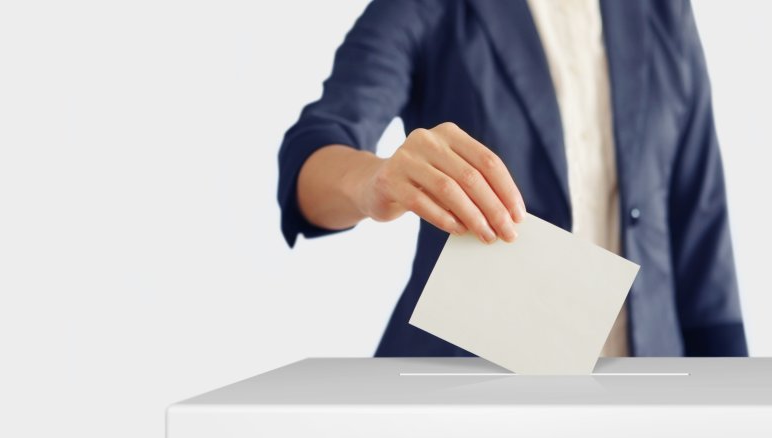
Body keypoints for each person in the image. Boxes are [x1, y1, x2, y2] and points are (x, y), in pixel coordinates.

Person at [277, 0, 747, 357]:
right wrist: (374, 181)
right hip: (467, 384)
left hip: (646, 387)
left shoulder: (662, 11)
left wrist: (732, 404)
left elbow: (700, 226)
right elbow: (313, 153)